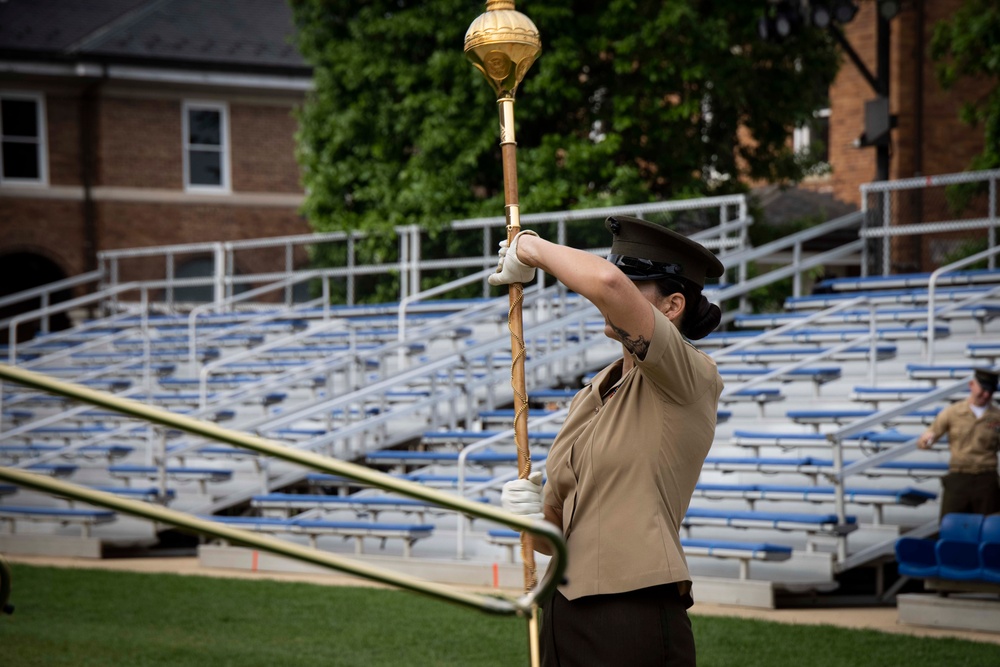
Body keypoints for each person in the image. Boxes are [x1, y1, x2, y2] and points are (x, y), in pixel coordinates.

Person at [493, 216, 725, 667]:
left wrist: (530, 248)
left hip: (631, 611)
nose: (615, 291)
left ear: (673, 304)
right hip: (563, 608)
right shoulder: (595, 391)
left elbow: (606, 283)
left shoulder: (688, 373)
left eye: (635, 281)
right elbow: (562, 534)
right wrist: (532, 519)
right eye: (623, 276)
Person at [917, 368, 1000, 518]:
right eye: (983, 389)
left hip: (986, 479)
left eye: (991, 391)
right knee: (951, 525)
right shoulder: (952, 412)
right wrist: (926, 440)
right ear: (972, 385)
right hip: (959, 478)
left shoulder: (997, 416)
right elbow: (928, 437)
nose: (986, 395)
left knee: (989, 528)